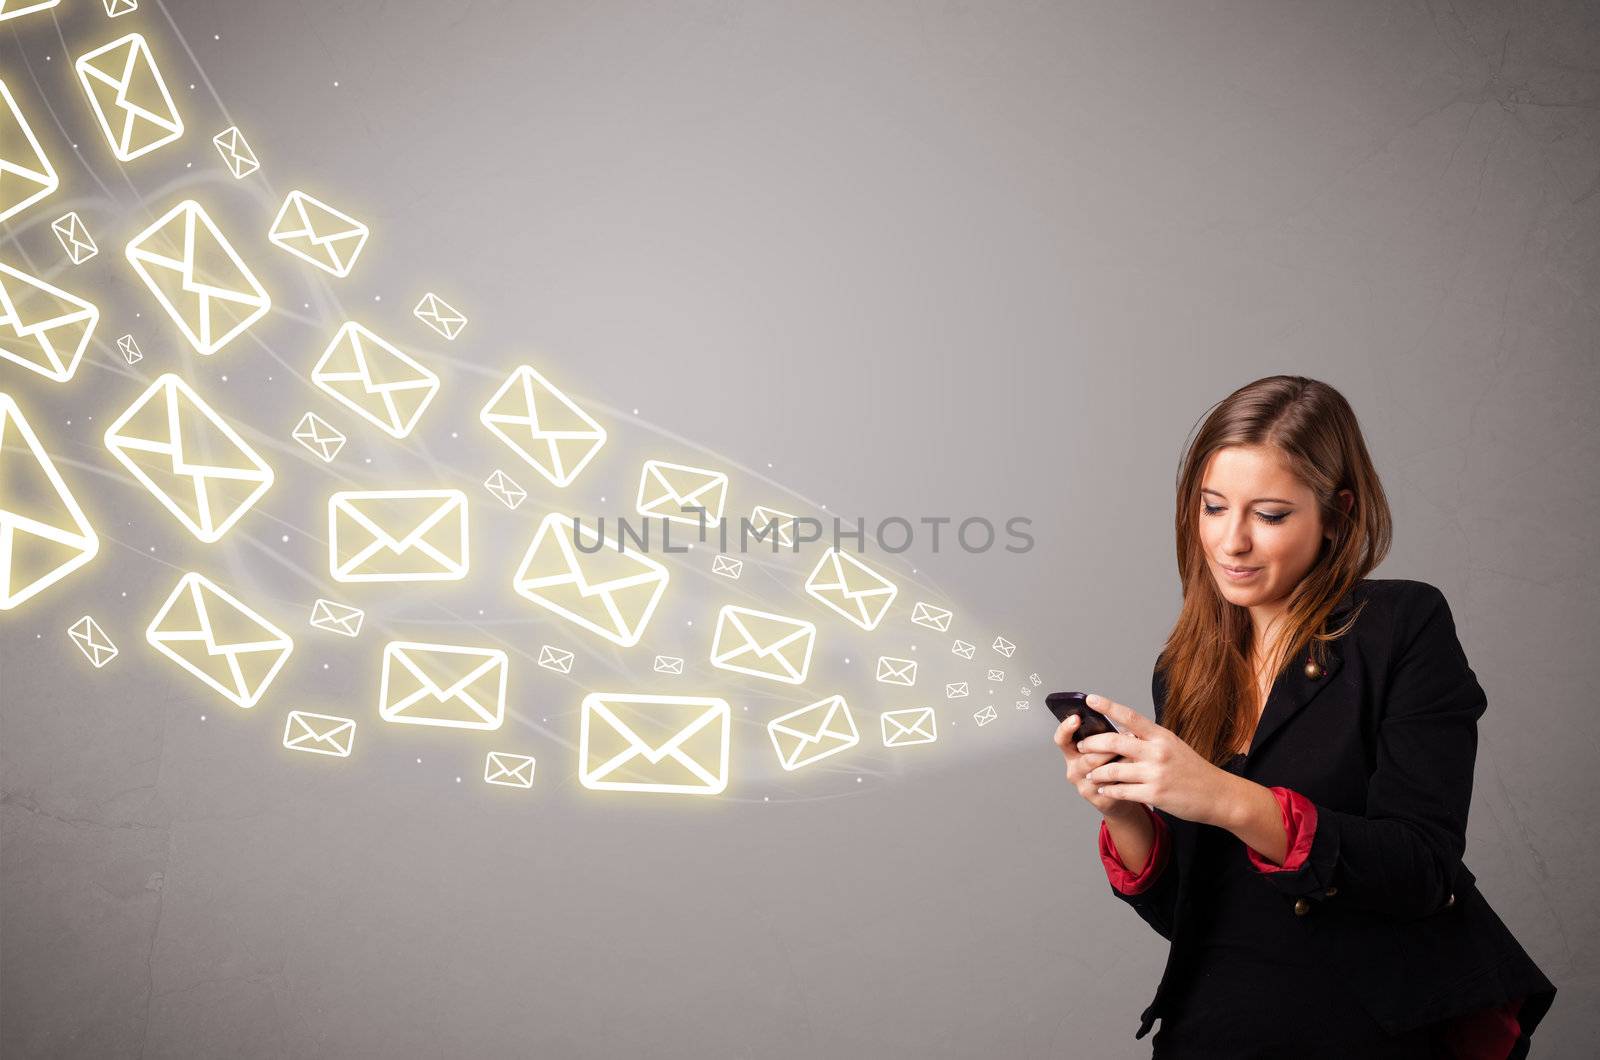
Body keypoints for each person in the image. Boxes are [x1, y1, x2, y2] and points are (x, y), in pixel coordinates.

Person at [1056, 375, 1556, 1058]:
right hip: (1213, 1028)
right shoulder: (1186, 667)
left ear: (1337, 514)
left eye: (1268, 515)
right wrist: (1124, 813)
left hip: (1375, 1031)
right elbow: (1195, 919)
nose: (1230, 542)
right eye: (1211, 507)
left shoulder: (1403, 626)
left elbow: (1422, 869)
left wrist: (1224, 797)